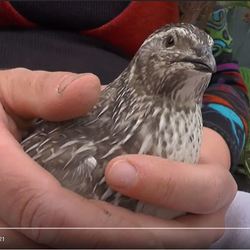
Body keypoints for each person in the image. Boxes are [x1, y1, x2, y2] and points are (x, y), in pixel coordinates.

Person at [0, 1, 247, 248]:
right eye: (171, 43)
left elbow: (224, 75)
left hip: (186, 195)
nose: (202, 55)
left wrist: (214, 147)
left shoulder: (203, 12)